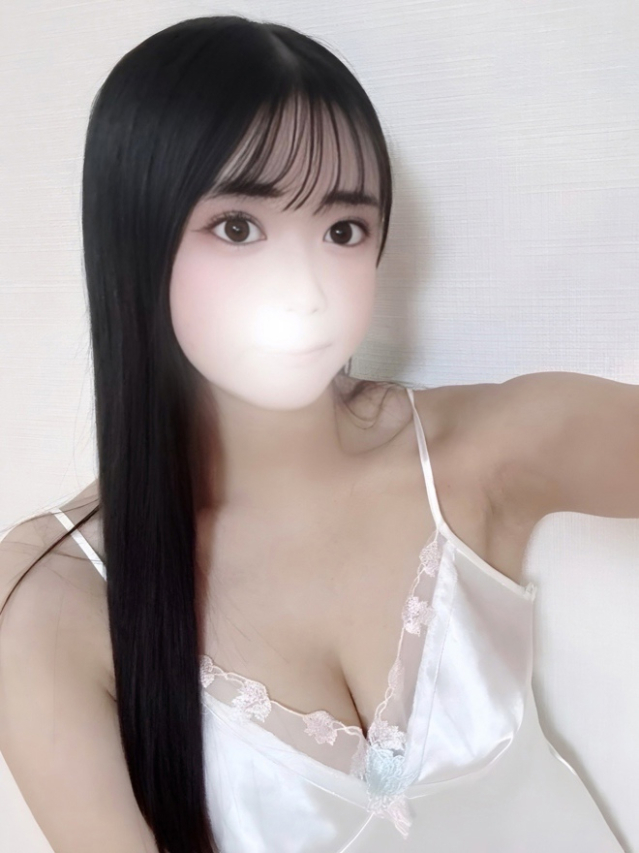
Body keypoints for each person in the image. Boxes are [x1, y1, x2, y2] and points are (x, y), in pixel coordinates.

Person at [0, 14, 635, 853]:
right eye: (238, 227)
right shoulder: (57, 596)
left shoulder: (478, 454)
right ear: (134, 237)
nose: (304, 290)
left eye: (343, 230)